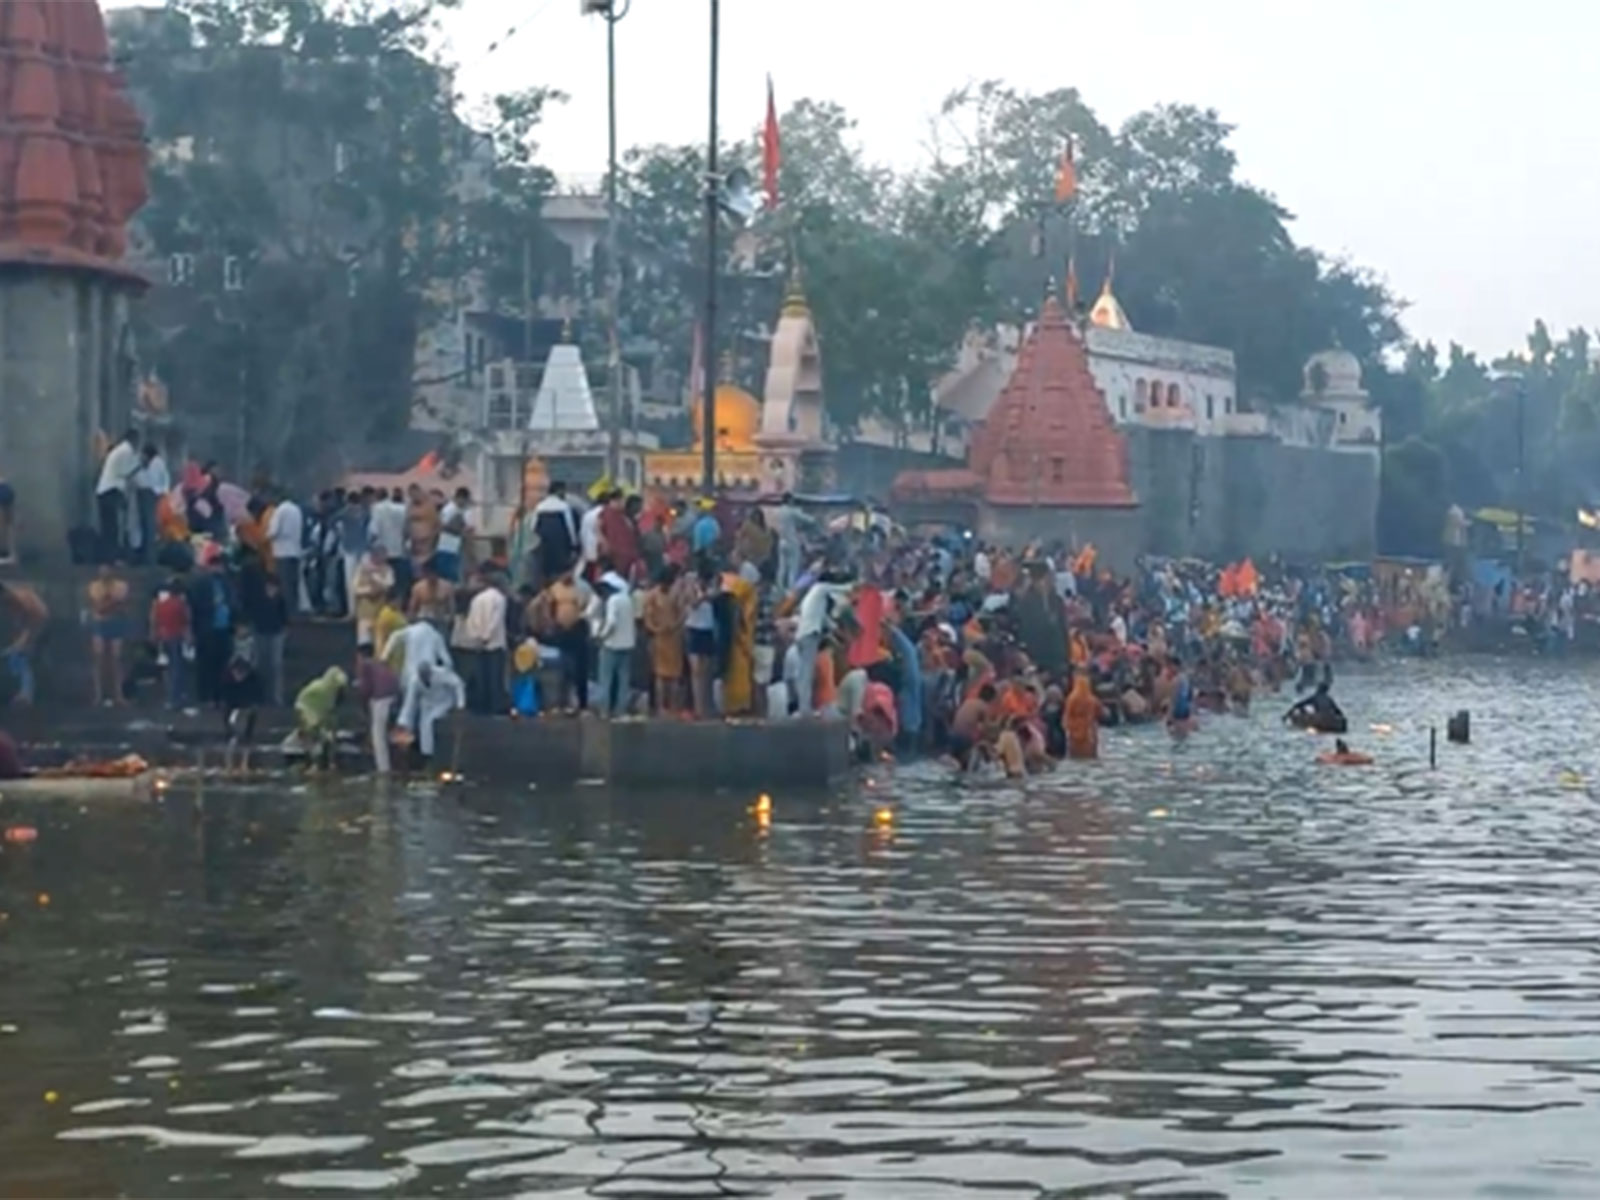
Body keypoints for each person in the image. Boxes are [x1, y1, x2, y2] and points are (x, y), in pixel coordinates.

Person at [397, 658, 465, 766]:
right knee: (423, 725)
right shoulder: (415, 681)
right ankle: (427, 754)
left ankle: (432, 754)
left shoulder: (441, 673)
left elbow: (458, 684)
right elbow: (410, 702)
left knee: (430, 721)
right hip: (428, 704)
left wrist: (460, 705)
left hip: (444, 701)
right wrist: (404, 722)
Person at [640, 564, 685, 714]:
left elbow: (682, 614)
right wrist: (657, 629)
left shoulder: (675, 595)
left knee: (674, 676)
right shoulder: (652, 596)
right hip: (659, 639)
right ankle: (661, 707)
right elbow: (648, 618)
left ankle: (672, 707)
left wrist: (674, 626)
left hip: (673, 638)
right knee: (660, 675)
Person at [461, 569, 508, 714]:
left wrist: (476, 636)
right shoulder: (499, 598)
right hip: (495, 642)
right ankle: (496, 706)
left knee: (482, 676)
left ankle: (482, 707)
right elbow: (496, 620)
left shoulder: (477, 599)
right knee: (495, 677)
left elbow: (471, 620)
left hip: (478, 643)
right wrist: (487, 635)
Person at [86, 562, 131, 706]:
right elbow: (99, 606)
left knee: (116, 659)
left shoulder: (122, 586)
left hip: (116, 623)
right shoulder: (94, 586)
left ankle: (118, 695)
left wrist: (108, 603)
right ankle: (98, 695)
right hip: (100, 623)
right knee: (99, 659)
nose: (104, 571)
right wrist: (111, 603)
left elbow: (120, 603)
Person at [593, 570, 637, 717]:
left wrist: (601, 636)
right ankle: (621, 710)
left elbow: (611, 622)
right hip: (627, 645)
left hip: (611, 645)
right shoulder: (628, 599)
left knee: (605, 679)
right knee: (624, 681)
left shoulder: (613, 601)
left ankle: (604, 710)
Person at [95, 429, 140, 562]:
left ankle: (108, 557)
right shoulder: (126, 450)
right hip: (111, 492)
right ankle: (111, 558)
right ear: (133, 439)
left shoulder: (119, 450)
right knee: (112, 528)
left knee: (109, 527)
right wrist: (140, 465)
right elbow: (126, 471)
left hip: (105, 491)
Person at [355, 644, 400, 774]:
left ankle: (383, 769)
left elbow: (365, 688)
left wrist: (362, 704)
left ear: (360, 655)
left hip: (381, 698)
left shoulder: (365, 665)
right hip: (394, 696)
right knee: (389, 733)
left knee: (378, 735)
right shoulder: (381, 663)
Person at [0, 581, 46, 705]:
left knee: (20, 657)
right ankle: (22, 691)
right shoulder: (10, 600)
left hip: (37, 622)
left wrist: (23, 641)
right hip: (29, 623)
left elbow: (33, 621)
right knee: (15, 656)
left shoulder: (18, 598)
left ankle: (26, 694)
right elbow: (18, 622)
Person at [149, 577, 191, 710]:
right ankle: (176, 698)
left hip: (164, 638)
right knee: (177, 669)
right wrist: (189, 637)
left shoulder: (161, 604)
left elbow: (155, 620)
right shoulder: (180, 604)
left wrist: (154, 635)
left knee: (168, 669)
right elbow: (186, 622)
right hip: (176, 637)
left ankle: (171, 698)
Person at [294, 666, 348, 771]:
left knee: (328, 737)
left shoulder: (334, 695)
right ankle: (313, 763)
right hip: (308, 709)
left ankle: (326, 762)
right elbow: (302, 705)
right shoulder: (319, 689)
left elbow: (331, 714)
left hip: (320, 713)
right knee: (316, 735)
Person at [248, 572, 290, 707]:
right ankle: (259, 696)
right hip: (260, 633)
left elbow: (285, 618)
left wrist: (284, 631)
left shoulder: (280, 600)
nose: (272, 590)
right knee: (259, 665)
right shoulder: (258, 600)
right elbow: (253, 616)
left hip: (276, 634)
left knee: (276, 665)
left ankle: (277, 697)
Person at [683, 563, 719, 718]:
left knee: (707, 670)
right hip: (694, 628)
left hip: (708, 628)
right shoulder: (692, 585)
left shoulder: (714, 586)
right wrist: (703, 595)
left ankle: (707, 705)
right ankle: (698, 708)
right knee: (696, 671)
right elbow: (692, 603)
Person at [219, 652, 263, 773]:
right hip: (232, 706)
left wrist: (250, 707)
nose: (238, 676)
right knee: (231, 737)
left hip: (248, 708)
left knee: (247, 737)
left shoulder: (254, 678)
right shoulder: (226, 679)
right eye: (236, 673)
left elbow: (258, 696)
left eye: (241, 673)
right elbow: (224, 697)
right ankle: (228, 764)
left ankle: (245, 763)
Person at [267, 491, 305, 616]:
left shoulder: (280, 511)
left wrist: (265, 537)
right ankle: (295, 610)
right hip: (295, 550)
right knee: (293, 583)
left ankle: (287, 613)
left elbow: (273, 531)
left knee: (284, 583)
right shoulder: (297, 510)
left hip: (282, 552)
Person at [533, 482, 578, 585]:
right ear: (559, 491)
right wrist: (574, 545)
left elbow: (533, 527)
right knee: (560, 574)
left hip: (544, 546)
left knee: (545, 573)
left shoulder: (540, 507)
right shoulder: (564, 507)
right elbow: (570, 528)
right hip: (561, 546)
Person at [132, 443, 170, 564]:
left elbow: (149, 481)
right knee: (148, 525)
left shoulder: (155, 464)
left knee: (149, 525)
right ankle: (147, 555)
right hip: (153, 494)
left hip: (150, 494)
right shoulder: (158, 463)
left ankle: (149, 557)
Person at [369, 486, 409, 598]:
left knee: (384, 582)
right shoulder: (401, 508)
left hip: (383, 551)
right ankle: (399, 604)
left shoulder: (376, 508)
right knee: (399, 581)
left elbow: (374, 530)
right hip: (399, 549)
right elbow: (407, 529)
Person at [949, 683, 995, 772]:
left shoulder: (968, 701)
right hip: (965, 740)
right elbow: (987, 729)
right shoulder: (984, 706)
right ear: (991, 699)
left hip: (952, 737)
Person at [1064, 669, 1101, 760]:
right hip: (1089, 730)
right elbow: (1099, 714)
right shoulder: (1093, 700)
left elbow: (1067, 715)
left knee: (1076, 756)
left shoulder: (1071, 699)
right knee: (1090, 755)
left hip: (1075, 730)